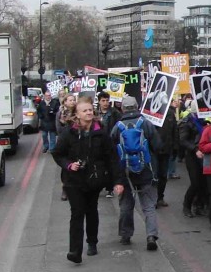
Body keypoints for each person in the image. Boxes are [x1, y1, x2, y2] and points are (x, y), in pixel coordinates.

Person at [52, 97, 125, 263]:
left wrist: (117, 181)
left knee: (91, 211)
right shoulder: (68, 133)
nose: (89, 113)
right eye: (84, 110)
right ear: (77, 114)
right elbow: (57, 153)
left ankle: (92, 242)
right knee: (77, 213)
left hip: (94, 179)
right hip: (73, 181)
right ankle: (75, 251)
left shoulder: (101, 132)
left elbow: (112, 158)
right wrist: (69, 165)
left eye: (90, 110)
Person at [110, 96, 163, 251]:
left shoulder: (118, 126)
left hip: (125, 172)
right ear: (137, 106)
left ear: (123, 108)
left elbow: (111, 149)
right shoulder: (146, 123)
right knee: (148, 205)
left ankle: (126, 235)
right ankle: (151, 236)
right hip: (146, 171)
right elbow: (158, 146)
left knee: (126, 204)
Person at [179, 103, 208, 218]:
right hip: (192, 155)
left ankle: (199, 205)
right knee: (195, 182)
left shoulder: (204, 122)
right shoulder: (187, 122)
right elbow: (183, 140)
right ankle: (187, 205)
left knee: (204, 182)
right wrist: (195, 149)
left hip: (204, 154)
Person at [154, 96, 180, 208]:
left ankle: (160, 197)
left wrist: (175, 147)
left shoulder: (169, 113)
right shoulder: (151, 113)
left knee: (163, 175)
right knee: (153, 175)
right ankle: (153, 198)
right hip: (153, 150)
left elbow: (175, 130)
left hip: (166, 149)